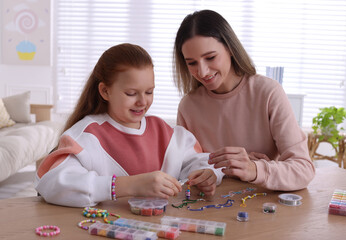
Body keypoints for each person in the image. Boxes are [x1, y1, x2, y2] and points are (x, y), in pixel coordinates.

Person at [35, 43, 223, 207]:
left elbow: (204, 160)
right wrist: (130, 185)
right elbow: (53, 184)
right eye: (131, 94)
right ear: (105, 91)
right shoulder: (85, 136)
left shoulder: (167, 133)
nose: (142, 102)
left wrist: (206, 174)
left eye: (149, 92)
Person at [173, 10, 315, 191]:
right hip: (213, 209)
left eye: (210, 57)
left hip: (264, 208)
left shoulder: (268, 93)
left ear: (230, 48)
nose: (202, 72)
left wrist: (254, 169)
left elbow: (303, 169)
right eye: (191, 63)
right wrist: (213, 173)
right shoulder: (188, 107)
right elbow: (184, 171)